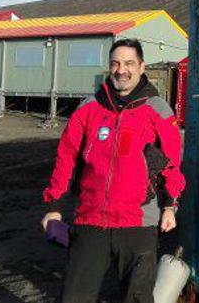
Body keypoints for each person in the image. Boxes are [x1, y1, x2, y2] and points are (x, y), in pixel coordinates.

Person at [41, 38, 185, 303]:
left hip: (138, 222)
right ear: (109, 67)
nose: (122, 69)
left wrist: (169, 205)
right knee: (74, 298)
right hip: (90, 220)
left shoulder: (158, 109)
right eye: (116, 63)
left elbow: (173, 162)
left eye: (129, 63)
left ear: (142, 67)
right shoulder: (88, 108)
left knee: (137, 298)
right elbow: (66, 158)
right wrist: (54, 205)